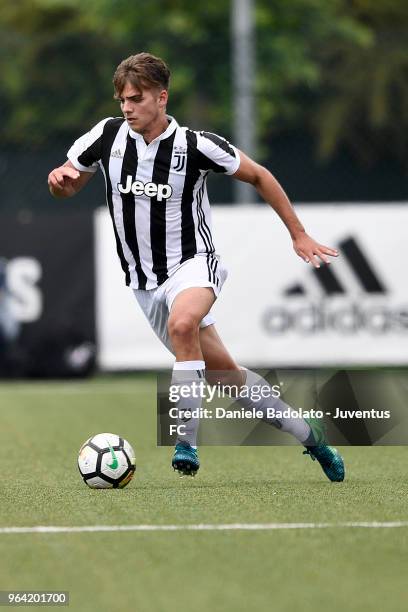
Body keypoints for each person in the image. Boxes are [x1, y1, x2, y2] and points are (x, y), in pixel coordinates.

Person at [48, 52, 344, 482]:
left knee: (183, 325)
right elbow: (67, 186)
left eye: (136, 98)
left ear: (161, 97)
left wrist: (297, 233)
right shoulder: (107, 136)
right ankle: (311, 437)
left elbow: (260, 175)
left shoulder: (196, 144)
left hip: (193, 264)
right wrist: (60, 182)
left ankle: (185, 440)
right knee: (227, 377)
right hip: (144, 282)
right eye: (121, 100)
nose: (127, 107)